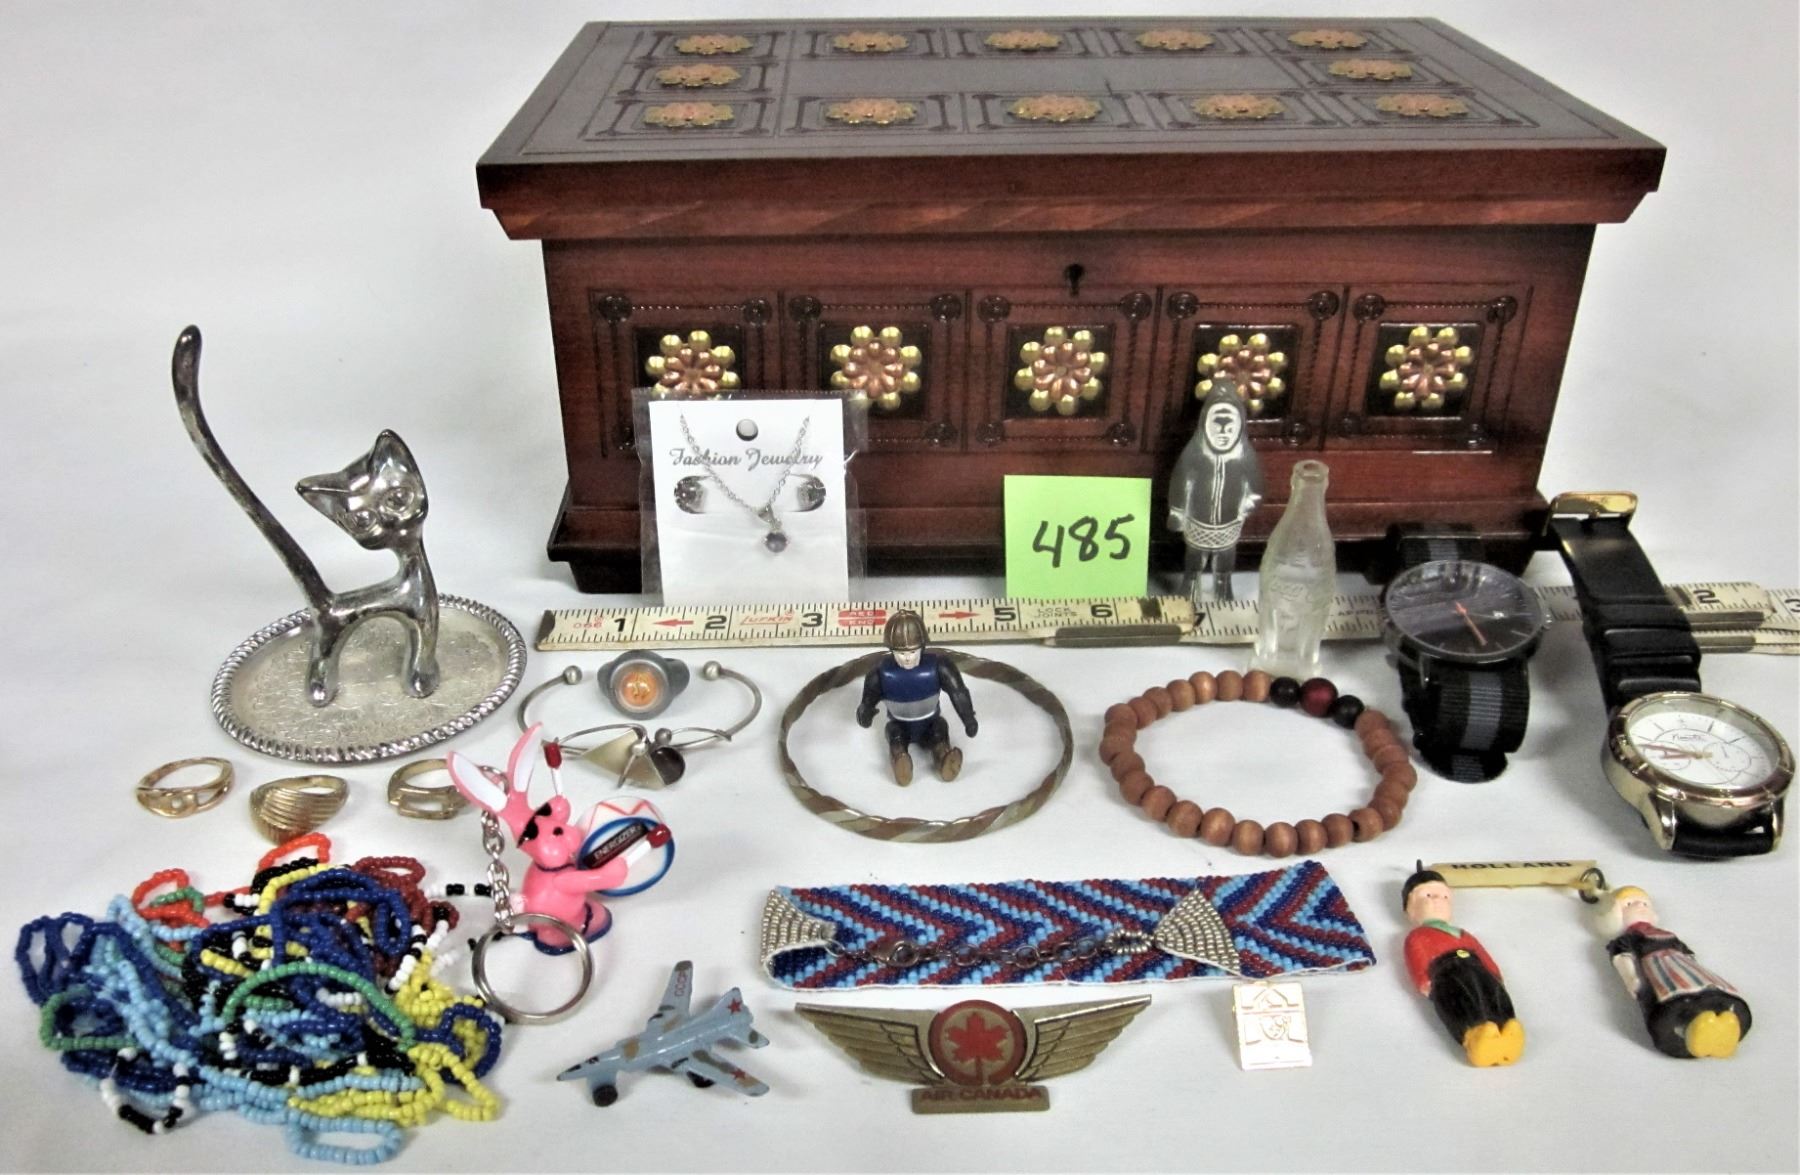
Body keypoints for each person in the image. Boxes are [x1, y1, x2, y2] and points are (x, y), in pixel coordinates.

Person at [1597, 886, 1750, 1059]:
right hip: (1657, 970)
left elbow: (1687, 953)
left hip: (1684, 967)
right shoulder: (1627, 939)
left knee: (1707, 987)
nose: (1640, 906)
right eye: (1629, 904)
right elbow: (1622, 958)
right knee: (1670, 999)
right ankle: (1694, 1029)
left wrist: (1693, 966)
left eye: (1645, 903)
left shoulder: (1666, 934)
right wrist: (1631, 978)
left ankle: (1722, 1020)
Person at [1401, 867, 1524, 1067]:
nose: (1438, 900)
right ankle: (1474, 1036)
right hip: (1446, 973)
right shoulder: (1417, 936)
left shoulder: (1464, 934)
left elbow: (1483, 954)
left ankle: (1506, 1026)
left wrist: (1495, 974)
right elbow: (1416, 958)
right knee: (1461, 1001)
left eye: (1444, 897)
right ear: (1410, 908)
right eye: (1428, 895)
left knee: (1494, 995)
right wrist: (1425, 981)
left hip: (1478, 969)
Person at [1167, 377, 1263, 603]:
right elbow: (1180, 482)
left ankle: (1223, 585)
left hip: (1229, 523)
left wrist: (1248, 505)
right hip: (1198, 521)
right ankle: (1191, 583)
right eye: (1217, 426)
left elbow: (1256, 488)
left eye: (1229, 427)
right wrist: (1177, 512)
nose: (1223, 434)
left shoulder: (1245, 458)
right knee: (1194, 556)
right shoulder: (1194, 455)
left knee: (1226, 556)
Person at [856, 609, 977, 785]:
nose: (907, 658)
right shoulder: (879, 675)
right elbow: (867, 702)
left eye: (912, 652)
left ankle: (944, 757)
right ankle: (900, 761)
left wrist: (969, 719)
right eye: (901, 653)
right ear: (891, 651)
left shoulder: (940, 668)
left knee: (939, 731)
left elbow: (958, 692)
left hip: (931, 723)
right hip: (899, 724)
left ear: (922, 648)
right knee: (895, 736)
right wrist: (864, 715)